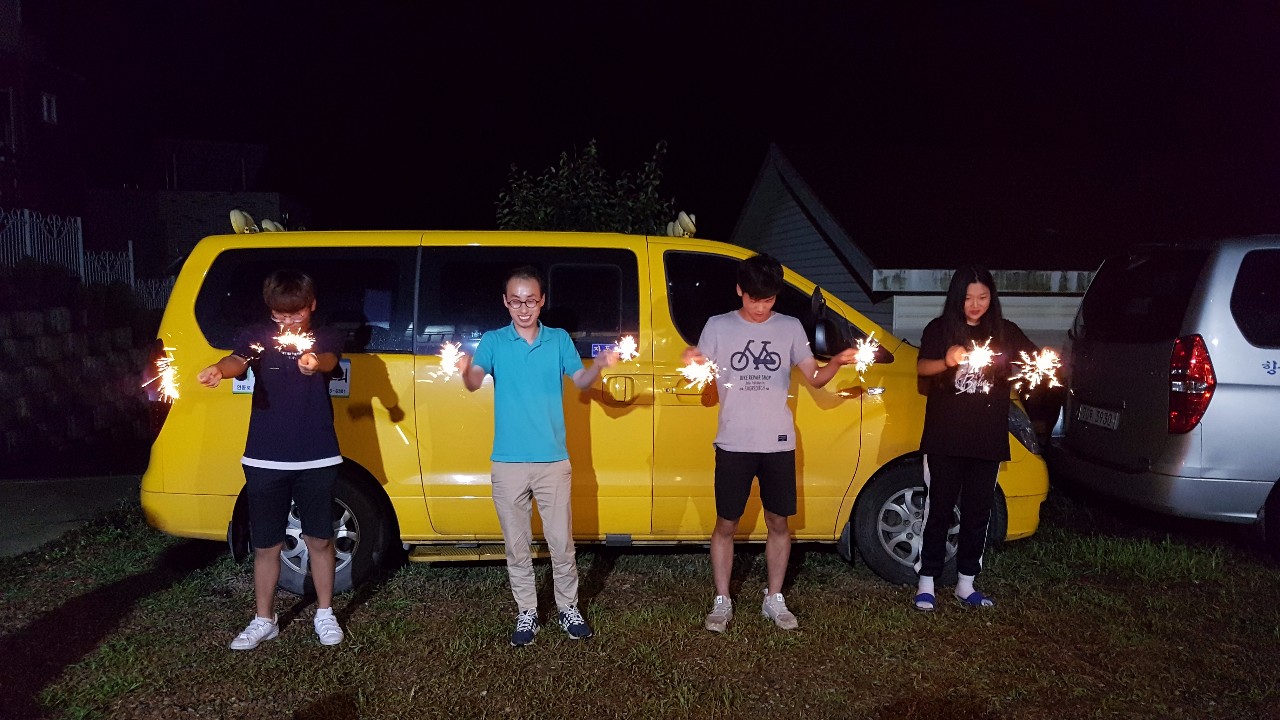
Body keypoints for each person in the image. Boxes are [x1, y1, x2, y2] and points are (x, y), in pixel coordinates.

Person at [684, 253, 857, 633]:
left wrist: (837, 362)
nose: (761, 308)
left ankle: (774, 597)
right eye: (754, 299)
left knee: (778, 521)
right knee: (726, 522)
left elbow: (814, 377)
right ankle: (722, 599)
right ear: (739, 291)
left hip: (778, 442)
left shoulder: (790, 327)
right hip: (733, 441)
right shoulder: (718, 326)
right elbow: (700, 376)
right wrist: (692, 361)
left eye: (769, 300)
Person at [459, 266, 619, 647]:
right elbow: (474, 381)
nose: (524, 308)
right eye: (516, 301)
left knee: (561, 542)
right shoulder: (494, 342)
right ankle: (527, 611)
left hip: (552, 460)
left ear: (542, 300)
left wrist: (599, 365)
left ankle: (568, 607)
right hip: (507, 462)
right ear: (505, 302)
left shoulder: (558, 339)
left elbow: (580, 381)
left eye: (531, 300)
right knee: (516, 546)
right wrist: (465, 369)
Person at [196, 269, 346, 650]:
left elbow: (330, 359)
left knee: (320, 539)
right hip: (264, 457)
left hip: (316, 455)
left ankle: (325, 613)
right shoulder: (258, 336)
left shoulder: (324, 336)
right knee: (266, 544)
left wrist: (315, 362)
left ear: (312, 305)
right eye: (280, 314)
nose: (288, 322)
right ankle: (265, 619)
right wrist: (219, 370)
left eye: (296, 313)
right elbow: (238, 360)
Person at [912, 264, 1037, 612]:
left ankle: (966, 583)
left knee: (978, 512)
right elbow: (921, 368)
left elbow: (1032, 361)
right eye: (968, 298)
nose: (976, 304)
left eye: (982, 297)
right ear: (957, 298)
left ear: (992, 298)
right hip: (945, 437)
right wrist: (947, 360)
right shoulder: (940, 329)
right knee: (938, 509)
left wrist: (1033, 368)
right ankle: (927, 581)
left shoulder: (1005, 332)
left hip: (987, 439)